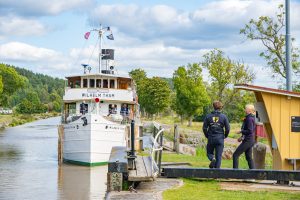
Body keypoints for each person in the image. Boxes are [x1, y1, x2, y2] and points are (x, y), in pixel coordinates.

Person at [203, 101, 230, 168]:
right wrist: (225, 136)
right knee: (219, 156)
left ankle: (212, 158)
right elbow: (227, 128)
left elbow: (204, 128)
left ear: (213, 107)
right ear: (220, 107)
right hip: (220, 138)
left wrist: (207, 135)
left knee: (209, 153)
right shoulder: (224, 117)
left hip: (211, 138)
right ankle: (216, 174)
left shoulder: (208, 116)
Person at [233, 104, 256, 169]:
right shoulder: (251, 117)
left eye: (245, 108)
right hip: (250, 140)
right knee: (248, 157)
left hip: (248, 140)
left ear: (249, 110)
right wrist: (242, 137)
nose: (244, 110)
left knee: (235, 155)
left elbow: (249, 130)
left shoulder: (249, 119)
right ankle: (253, 173)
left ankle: (235, 173)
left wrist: (240, 131)